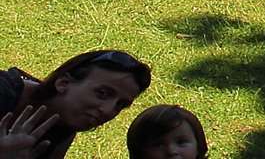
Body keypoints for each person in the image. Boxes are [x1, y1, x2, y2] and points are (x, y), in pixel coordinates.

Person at [0, 50, 153, 159]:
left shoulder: (63, 128)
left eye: (120, 105)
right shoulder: (4, 91)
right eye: (102, 93)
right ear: (63, 83)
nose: (108, 111)